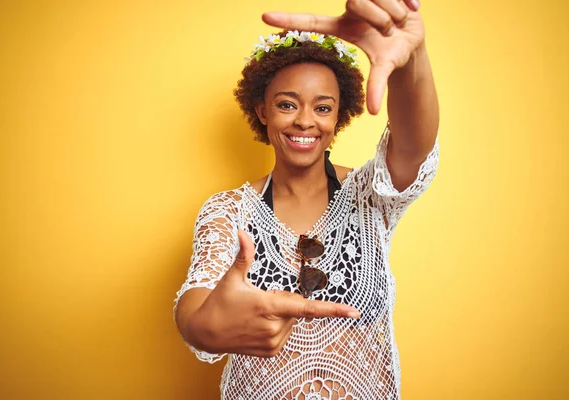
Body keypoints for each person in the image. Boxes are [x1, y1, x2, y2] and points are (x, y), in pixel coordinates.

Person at [174, 0, 439, 398]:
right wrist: (204, 327)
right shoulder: (229, 210)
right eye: (287, 104)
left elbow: (413, 148)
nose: (304, 121)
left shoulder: (370, 195)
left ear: (338, 117)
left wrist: (412, 60)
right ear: (262, 110)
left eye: (322, 107)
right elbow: (195, 310)